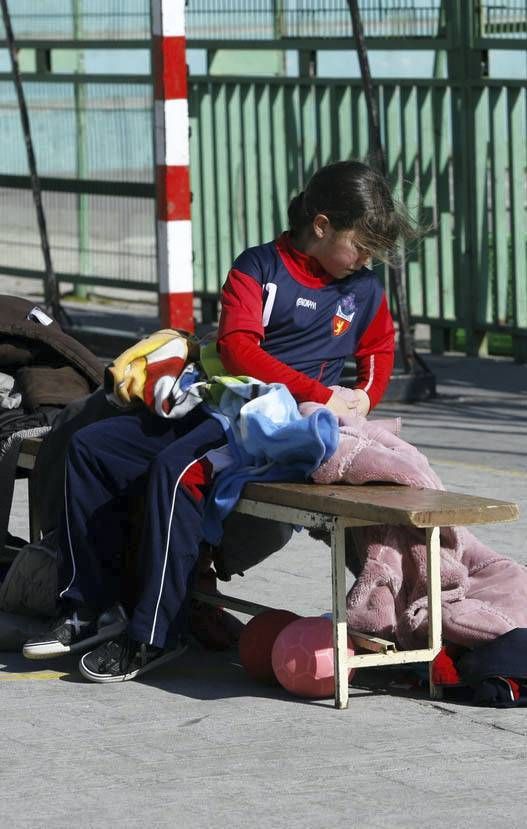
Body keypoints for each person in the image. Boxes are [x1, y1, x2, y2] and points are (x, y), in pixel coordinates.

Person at [23, 159, 417, 683]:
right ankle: (87, 604)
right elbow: (237, 351)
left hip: (275, 428)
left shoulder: (363, 290)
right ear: (321, 226)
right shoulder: (259, 266)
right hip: (220, 405)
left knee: (177, 471)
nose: (366, 258)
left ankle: (152, 635)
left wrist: (363, 401)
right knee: (92, 446)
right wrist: (324, 391)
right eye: (360, 243)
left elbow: (378, 350)